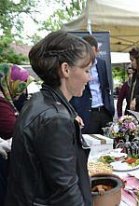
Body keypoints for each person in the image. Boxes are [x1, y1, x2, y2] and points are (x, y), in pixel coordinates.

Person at [5, 31, 95, 206]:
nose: (89, 77)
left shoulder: (41, 101)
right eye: (86, 70)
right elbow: (65, 191)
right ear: (66, 69)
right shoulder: (55, 118)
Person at [0, 63, 32, 205]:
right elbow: (12, 129)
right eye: (20, 85)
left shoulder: (6, 99)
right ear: (10, 81)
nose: (22, 90)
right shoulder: (1, 103)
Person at [70, 35, 115, 134]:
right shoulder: (76, 66)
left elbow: (106, 86)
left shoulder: (102, 63)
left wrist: (110, 106)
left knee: (108, 141)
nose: (91, 56)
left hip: (104, 110)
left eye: (93, 52)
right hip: (87, 112)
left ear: (97, 50)